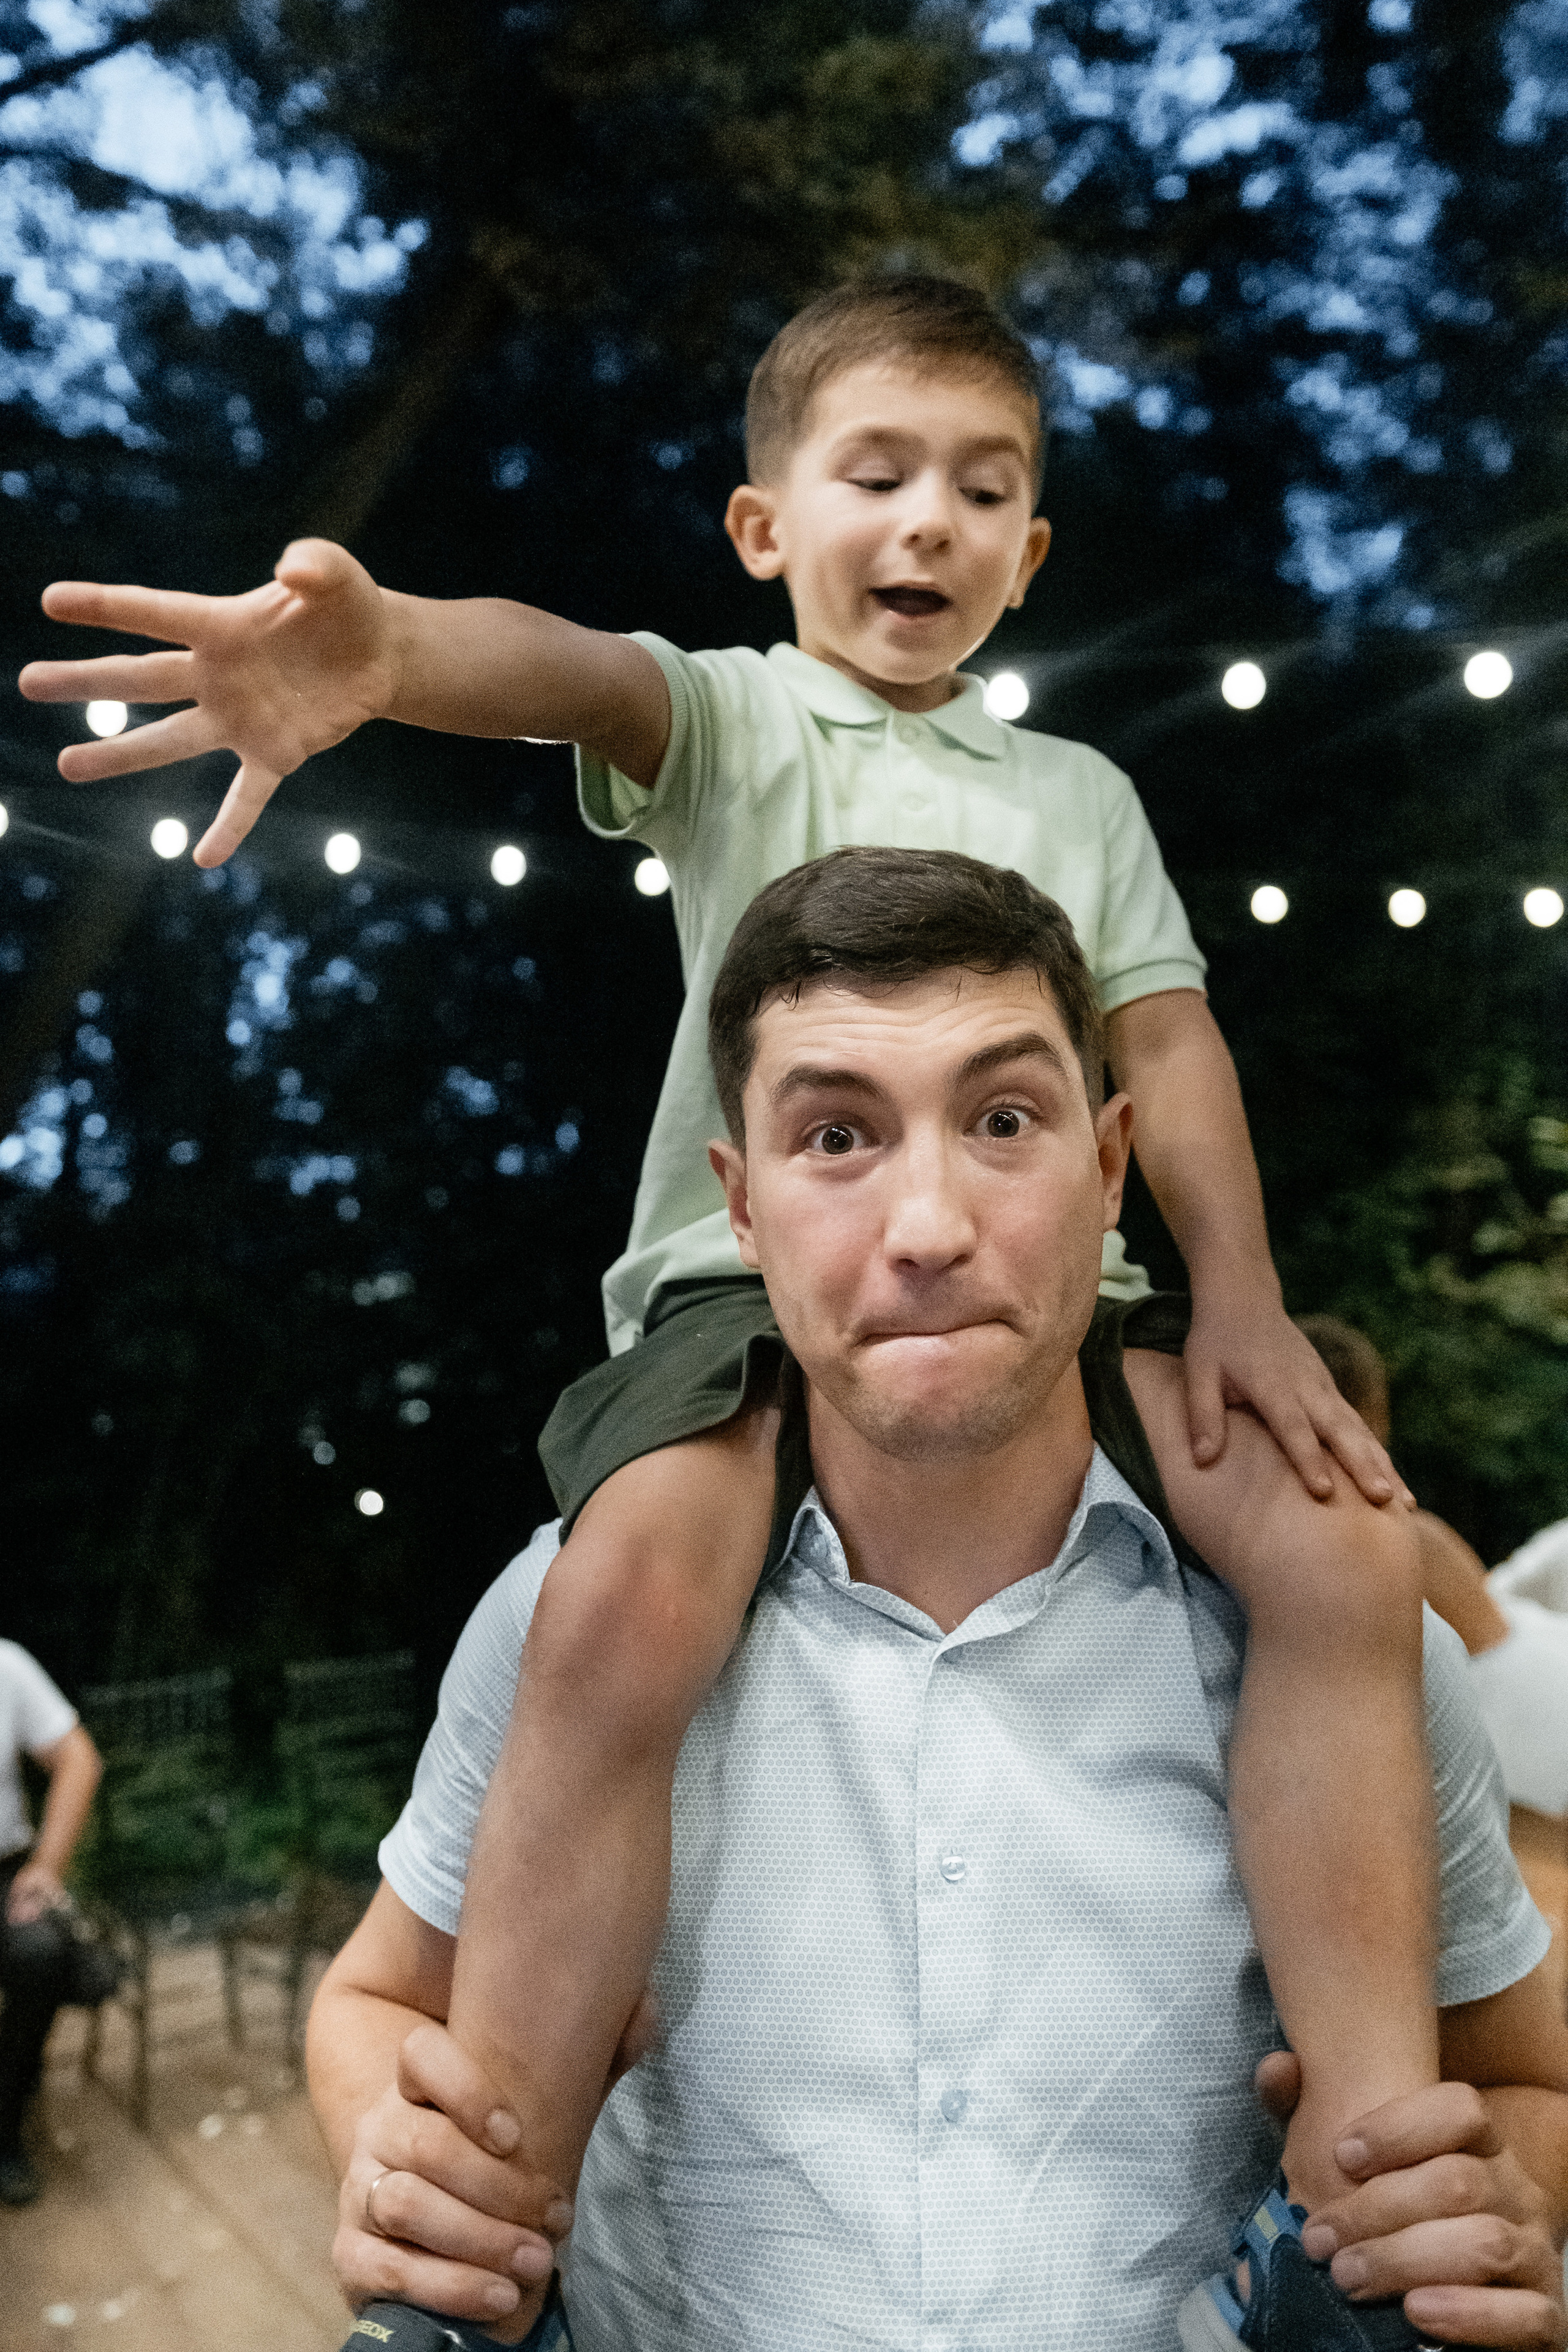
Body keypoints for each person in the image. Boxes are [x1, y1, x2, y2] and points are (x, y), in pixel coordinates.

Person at [21, 277, 1437, 2345]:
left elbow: (1179, 1040)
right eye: (877, 476)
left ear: (1031, 553)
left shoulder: (1087, 803)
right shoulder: (750, 722)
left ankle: (1374, 2205)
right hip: (738, 1316)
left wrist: (1244, 1298)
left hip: (1081, 1308)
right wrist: (393, 653)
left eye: (985, 489)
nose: (930, 525)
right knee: (628, 1590)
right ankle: (476, 2237)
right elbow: (579, 678)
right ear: (769, 527)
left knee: (1341, 1547)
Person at [306, 849, 1568, 2352]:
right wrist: (401, 2150)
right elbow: (370, 1999)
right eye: (835, 1134)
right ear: (743, 1206)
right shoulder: (568, 1609)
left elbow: (1525, 2079)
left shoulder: (1329, 1636)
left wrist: (1487, 2199)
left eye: (1002, 1120)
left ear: (1110, 1168)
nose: (926, 1226)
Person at [1299, 1313, 1568, 1817]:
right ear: (1376, 1414)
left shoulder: (1363, 1523)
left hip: (1519, 1698)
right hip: (1533, 1667)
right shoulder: (1404, 1521)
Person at [0, 1638, 103, 2206]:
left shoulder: (5, 1665)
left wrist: (46, 1865)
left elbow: (78, 1757)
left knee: (43, 1952)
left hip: (5, 1871)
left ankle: (7, 2121)